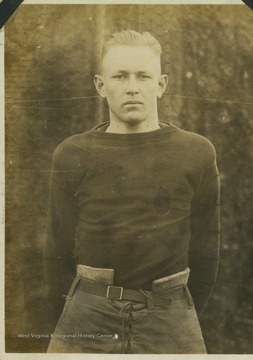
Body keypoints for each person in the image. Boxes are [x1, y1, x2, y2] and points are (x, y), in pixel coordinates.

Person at [44, 29, 220, 354]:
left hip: (171, 316)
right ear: (100, 85)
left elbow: (206, 248)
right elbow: (57, 249)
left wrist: (179, 317)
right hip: (87, 316)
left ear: (161, 84)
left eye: (143, 76)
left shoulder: (196, 151)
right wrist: (75, 318)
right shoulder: (73, 153)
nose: (133, 87)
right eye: (120, 76)